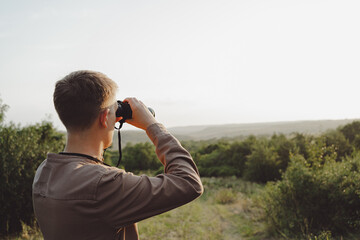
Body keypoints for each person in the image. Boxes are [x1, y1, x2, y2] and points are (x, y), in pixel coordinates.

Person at [32, 70, 203, 240]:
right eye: (115, 111)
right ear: (105, 117)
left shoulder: (45, 171)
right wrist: (152, 124)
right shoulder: (102, 184)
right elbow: (189, 182)